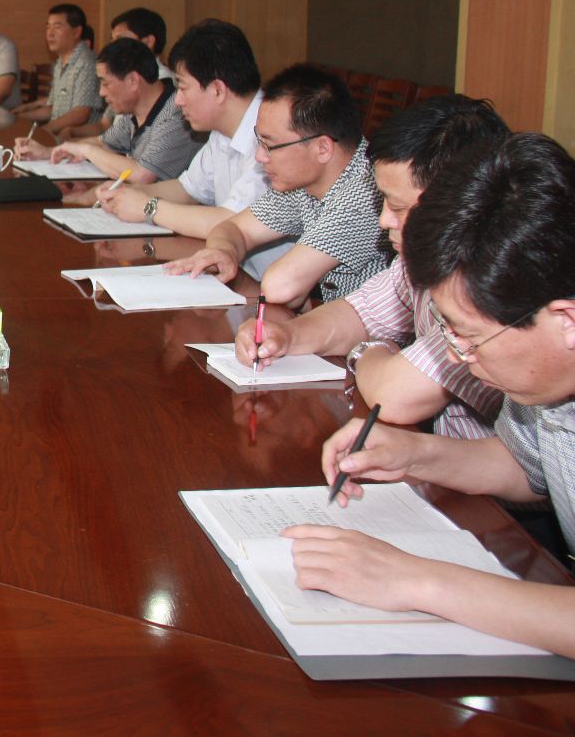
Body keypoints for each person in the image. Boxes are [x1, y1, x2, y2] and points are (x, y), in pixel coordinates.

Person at [286, 134, 575, 657]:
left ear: (566, 321)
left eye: (469, 337)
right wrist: (416, 454)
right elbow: (532, 469)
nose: (459, 357)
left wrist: (417, 582)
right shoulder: (544, 375)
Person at [236, 95, 509, 438]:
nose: (384, 220)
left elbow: (394, 396)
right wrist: (287, 335)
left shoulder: (488, 284)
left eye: (398, 207)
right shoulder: (416, 262)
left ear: (463, 203)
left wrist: (368, 351)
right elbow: (359, 313)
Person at [166, 64, 383, 307]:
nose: (260, 156)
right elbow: (234, 228)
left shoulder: (366, 193)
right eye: (259, 142)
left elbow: (279, 287)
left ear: (322, 148)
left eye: (269, 145)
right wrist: (223, 251)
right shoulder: (305, 181)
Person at [90, 19, 284, 279]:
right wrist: (128, 194)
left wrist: (149, 207)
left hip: (260, 287)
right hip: (232, 274)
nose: (178, 100)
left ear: (217, 89)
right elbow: (187, 189)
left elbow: (233, 222)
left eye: (182, 87)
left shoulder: (273, 135)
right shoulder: (222, 131)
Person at [24, 38, 201, 183]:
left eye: (105, 83)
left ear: (133, 81)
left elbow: (142, 175)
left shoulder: (176, 115)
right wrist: (49, 152)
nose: (101, 92)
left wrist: (85, 150)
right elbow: (103, 143)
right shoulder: (134, 112)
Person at [12, 2, 101, 132]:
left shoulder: (86, 63)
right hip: (59, 135)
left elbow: (80, 113)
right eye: (48, 27)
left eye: (57, 27)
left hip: (78, 139)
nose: (50, 33)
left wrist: (42, 132)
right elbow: (53, 108)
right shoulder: (60, 62)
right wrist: (19, 117)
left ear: (76, 32)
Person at [109, 7, 173, 80]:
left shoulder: (163, 80)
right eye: (112, 39)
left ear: (148, 42)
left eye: (120, 39)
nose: (112, 46)